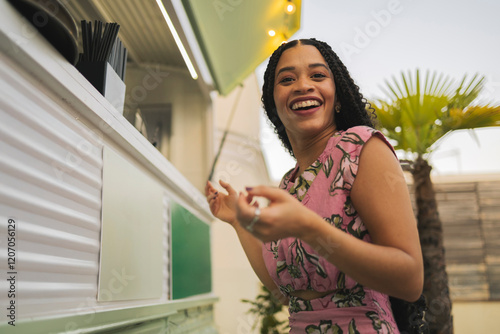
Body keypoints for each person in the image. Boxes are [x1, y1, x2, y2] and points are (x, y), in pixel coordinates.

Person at [205, 38, 423, 333]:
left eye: (317, 75)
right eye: (287, 79)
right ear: (273, 105)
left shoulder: (361, 147)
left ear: (339, 96)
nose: (302, 85)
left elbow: (409, 281)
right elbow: (286, 294)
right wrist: (237, 222)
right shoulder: (289, 185)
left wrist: (308, 227)